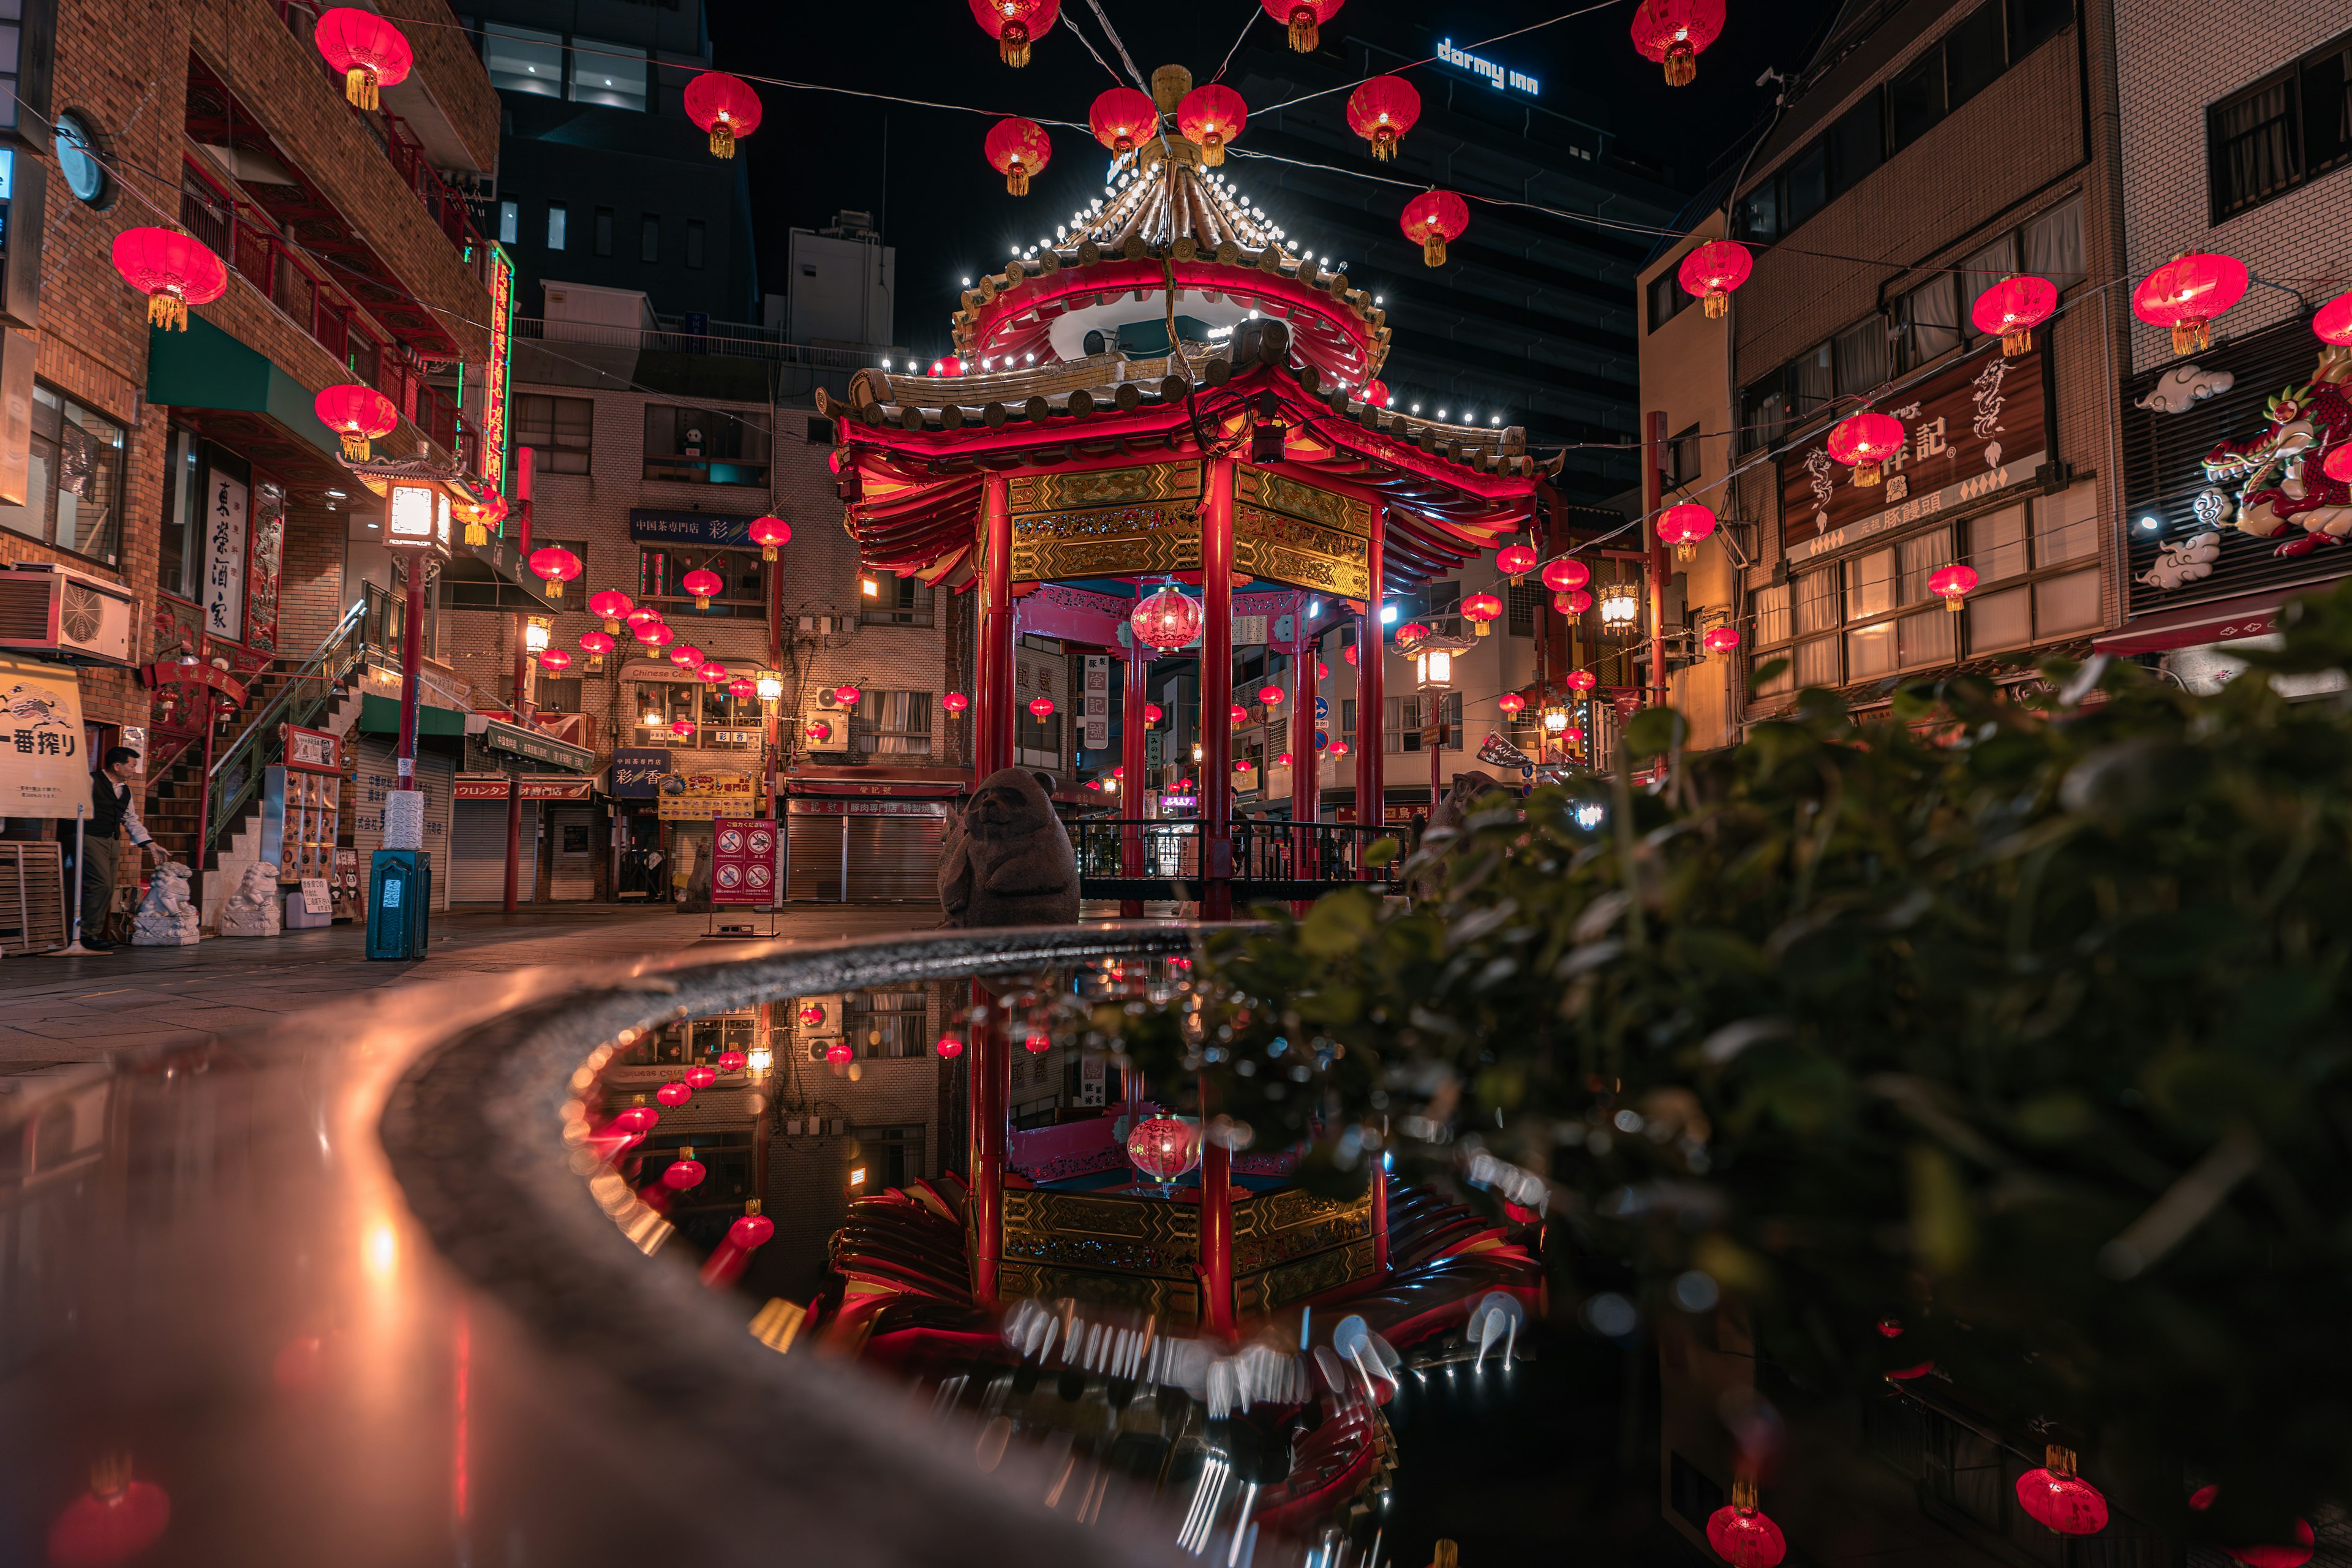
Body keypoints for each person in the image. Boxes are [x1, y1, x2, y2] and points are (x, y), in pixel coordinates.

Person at [78, 745, 172, 952]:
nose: (134, 770)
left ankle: (92, 934)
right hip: (89, 836)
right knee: (100, 884)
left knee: (109, 886)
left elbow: (130, 820)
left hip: (112, 839)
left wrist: (149, 843)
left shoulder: (124, 789)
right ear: (117, 765)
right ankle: (84, 934)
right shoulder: (90, 781)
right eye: (132, 765)